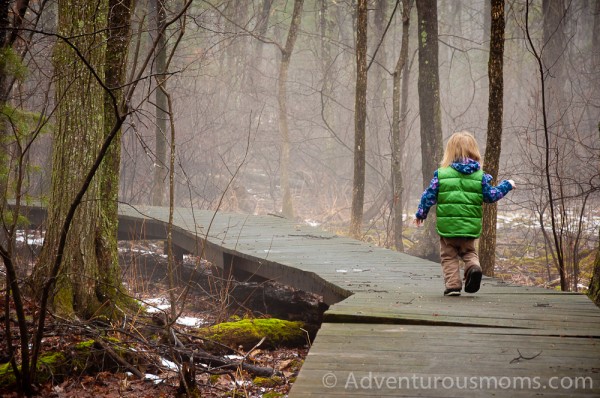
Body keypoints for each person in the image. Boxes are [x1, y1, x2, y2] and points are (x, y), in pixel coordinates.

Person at [414, 131, 515, 296]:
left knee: (449, 256)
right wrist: (507, 185)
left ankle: (453, 285)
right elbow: (491, 195)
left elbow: (428, 196)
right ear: (474, 151)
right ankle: (473, 268)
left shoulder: (442, 174)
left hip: (448, 228)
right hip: (469, 228)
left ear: (450, 152)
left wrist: (420, 214)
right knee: (469, 252)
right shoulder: (480, 177)